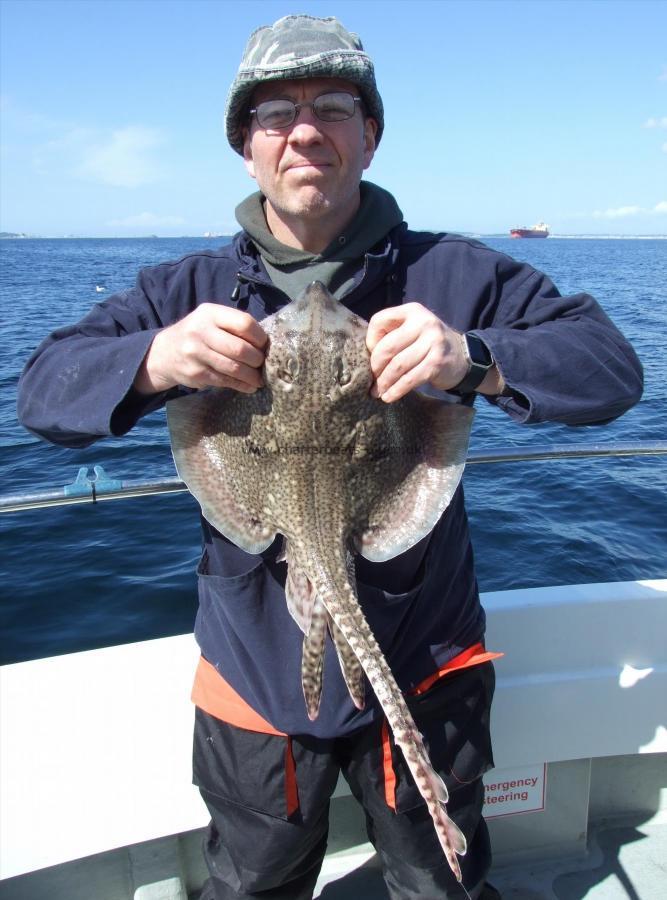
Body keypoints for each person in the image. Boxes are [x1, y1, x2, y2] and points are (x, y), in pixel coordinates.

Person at [17, 14, 643, 900]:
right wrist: (154, 360)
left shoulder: (458, 276)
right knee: (254, 883)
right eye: (274, 113)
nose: (304, 129)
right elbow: (42, 391)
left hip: (424, 659)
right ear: (246, 148)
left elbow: (611, 370)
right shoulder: (182, 291)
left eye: (333, 106)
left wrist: (473, 359)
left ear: (370, 134)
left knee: (439, 882)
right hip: (251, 668)